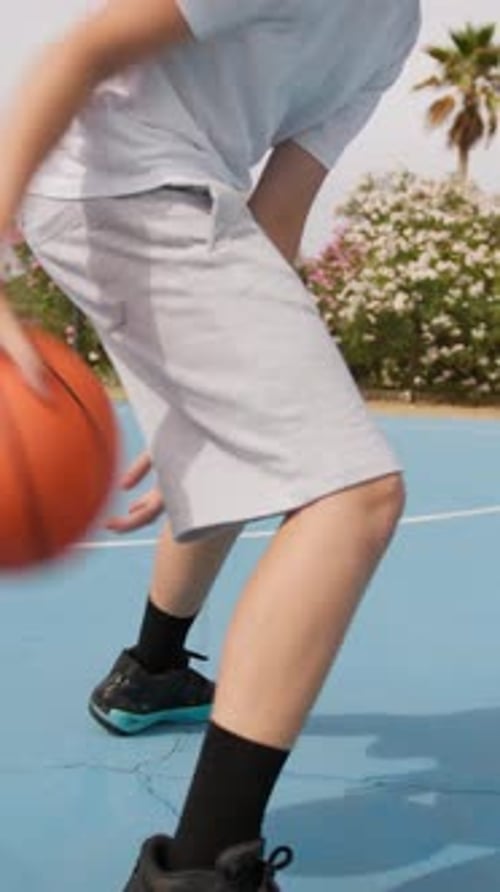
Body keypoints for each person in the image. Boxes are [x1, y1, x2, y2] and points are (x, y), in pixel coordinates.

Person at [0, 1, 421, 889]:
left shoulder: (393, 26)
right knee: (357, 495)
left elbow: (279, 211)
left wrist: (231, 390)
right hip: (119, 180)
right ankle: (196, 871)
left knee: (283, 451)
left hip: (171, 197)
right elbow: (81, 53)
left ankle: (151, 673)